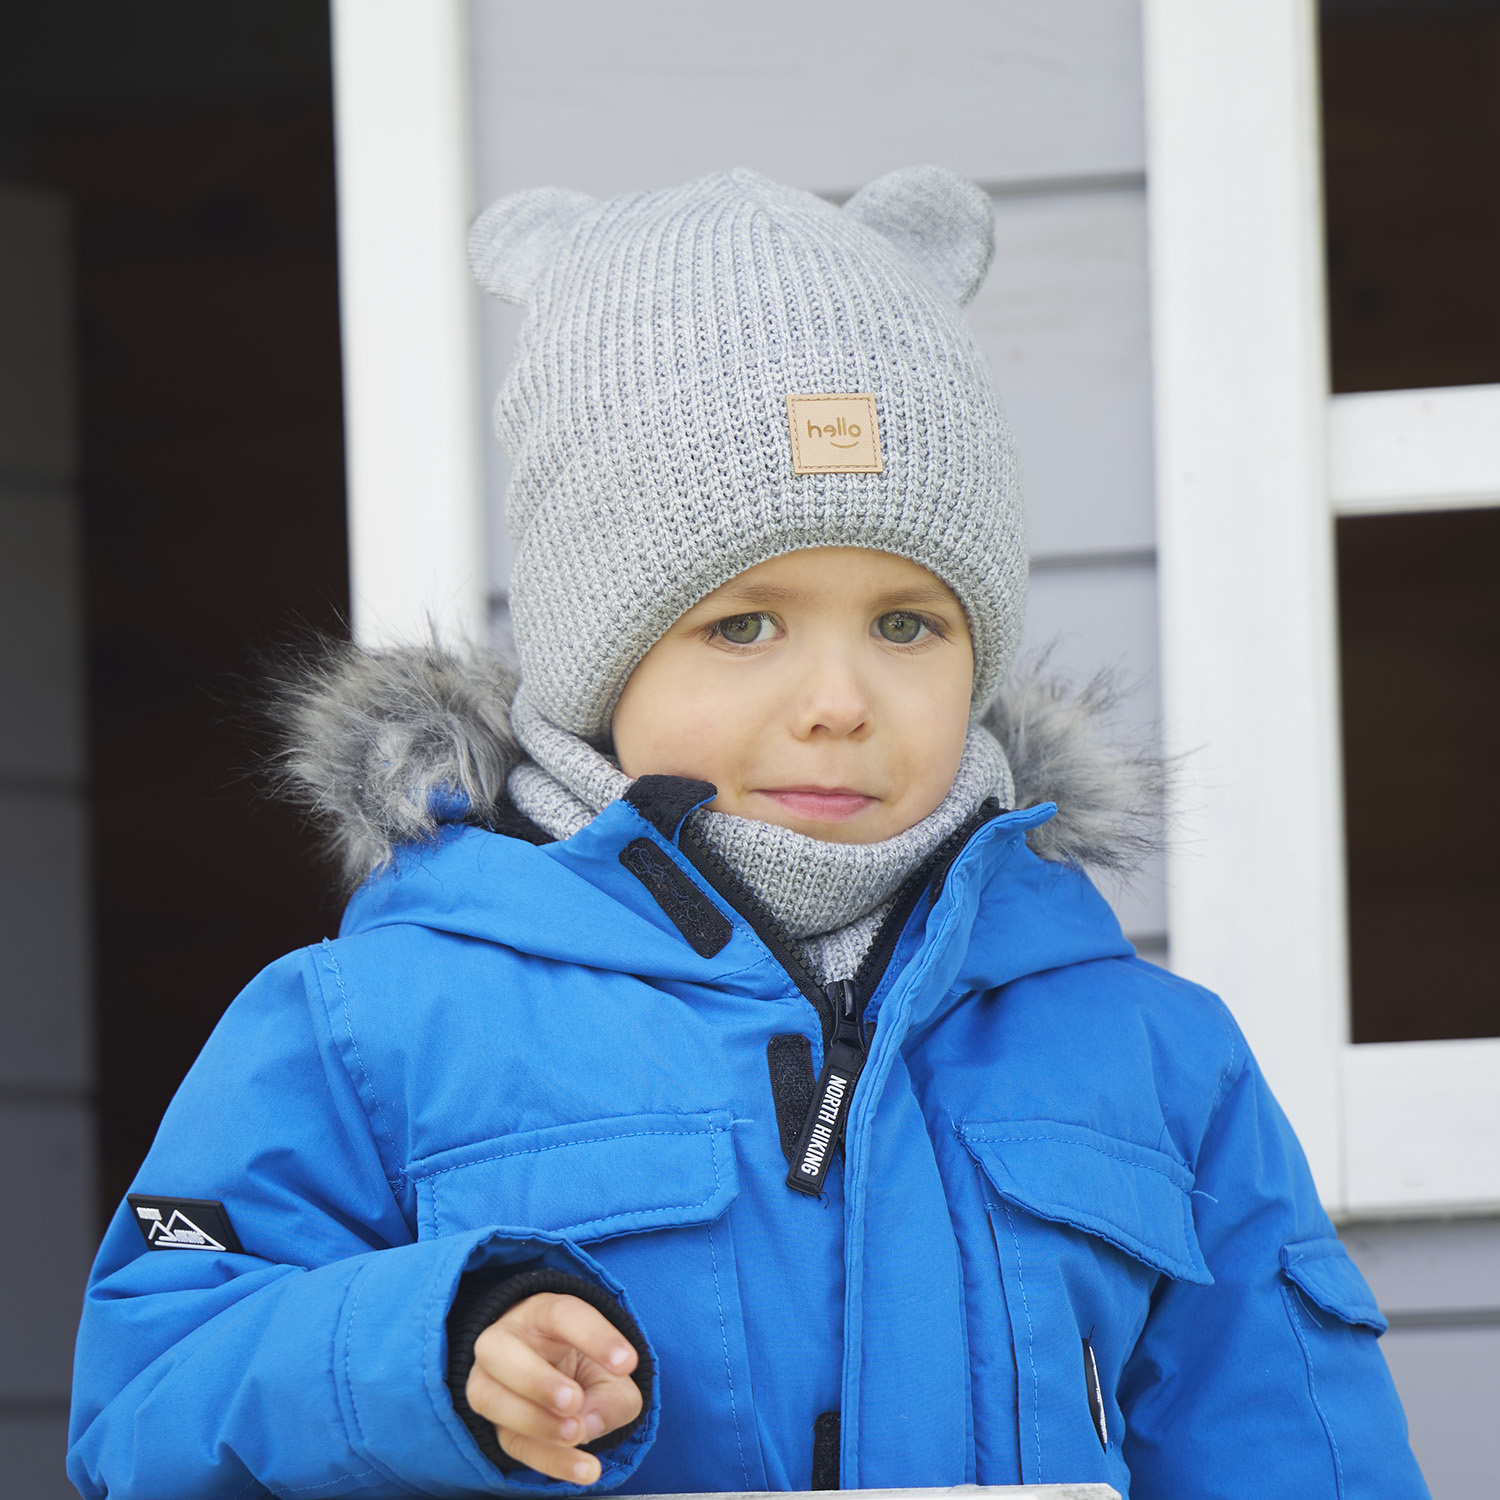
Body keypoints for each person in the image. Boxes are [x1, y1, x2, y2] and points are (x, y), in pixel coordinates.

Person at [67, 166, 1429, 1499]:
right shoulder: (376, 1028)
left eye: (906, 623)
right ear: (602, 661)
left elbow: (1299, 1453)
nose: (837, 703)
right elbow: (152, 1400)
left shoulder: (1152, 1056)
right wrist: (429, 1351)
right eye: (745, 625)